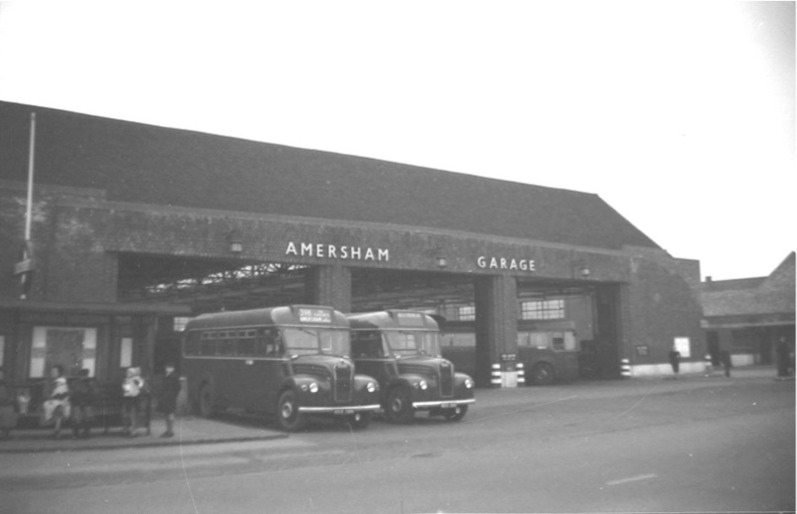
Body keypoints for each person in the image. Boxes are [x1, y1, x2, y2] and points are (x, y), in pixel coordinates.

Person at [42, 365, 70, 439]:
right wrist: (52, 397)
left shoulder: (63, 381)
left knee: (61, 407)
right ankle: (57, 430)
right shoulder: (48, 381)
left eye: (55, 371)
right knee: (56, 407)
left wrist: (63, 396)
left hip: (61, 401)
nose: (53, 373)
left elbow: (67, 392)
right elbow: (45, 393)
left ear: (59, 372)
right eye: (52, 371)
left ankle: (57, 430)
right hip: (50, 400)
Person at [70, 368, 97, 439]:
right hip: (77, 403)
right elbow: (73, 395)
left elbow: (93, 394)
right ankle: (76, 433)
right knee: (77, 414)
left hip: (87, 403)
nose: (84, 377)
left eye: (85, 375)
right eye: (82, 375)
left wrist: (86, 401)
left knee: (88, 413)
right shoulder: (75, 383)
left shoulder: (91, 383)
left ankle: (86, 432)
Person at [157, 363, 181, 438]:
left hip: (170, 397)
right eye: (167, 367)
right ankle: (168, 430)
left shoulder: (174, 376)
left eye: (168, 367)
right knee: (167, 414)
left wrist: (174, 395)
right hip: (166, 397)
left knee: (170, 413)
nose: (167, 368)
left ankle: (170, 431)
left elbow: (178, 387)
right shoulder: (166, 375)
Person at [121, 367, 145, 437]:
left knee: (133, 415)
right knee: (125, 414)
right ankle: (125, 429)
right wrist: (125, 388)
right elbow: (125, 388)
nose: (128, 374)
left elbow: (141, 385)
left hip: (134, 398)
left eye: (130, 373)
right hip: (127, 398)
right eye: (127, 373)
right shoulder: (126, 380)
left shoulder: (137, 379)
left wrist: (137, 383)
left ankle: (133, 430)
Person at [0, 370, 18, 440]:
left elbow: (10, 396)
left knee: (9, 410)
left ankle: (5, 434)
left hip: (5, 404)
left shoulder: (6, 385)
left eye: (1, 374)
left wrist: (8, 401)